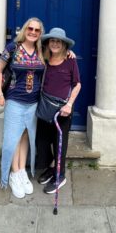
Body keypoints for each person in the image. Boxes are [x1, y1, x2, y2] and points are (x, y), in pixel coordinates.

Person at [0, 18, 45, 198]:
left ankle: (22, 170)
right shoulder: (12, 48)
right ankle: (14, 173)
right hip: (15, 102)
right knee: (13, 138)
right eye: (30, 28)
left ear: (40, 33)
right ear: (24, 29)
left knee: (25, 136)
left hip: (33, 103)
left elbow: (59, 54)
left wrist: (68, 53)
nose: (33, 32)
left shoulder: (41, 50)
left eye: (37, 30)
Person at [36, 27, 81, 194]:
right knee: (43, 141)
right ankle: (51, 168)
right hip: (45, 108)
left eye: (58, 41)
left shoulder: (70, 61)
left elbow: (77, 84)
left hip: (62, 110)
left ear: (63, 45)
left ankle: (60, 175)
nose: (55, 44)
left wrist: (69, 105)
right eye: (52, 41)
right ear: (48, 43)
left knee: (59, 143)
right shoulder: (44, 60)